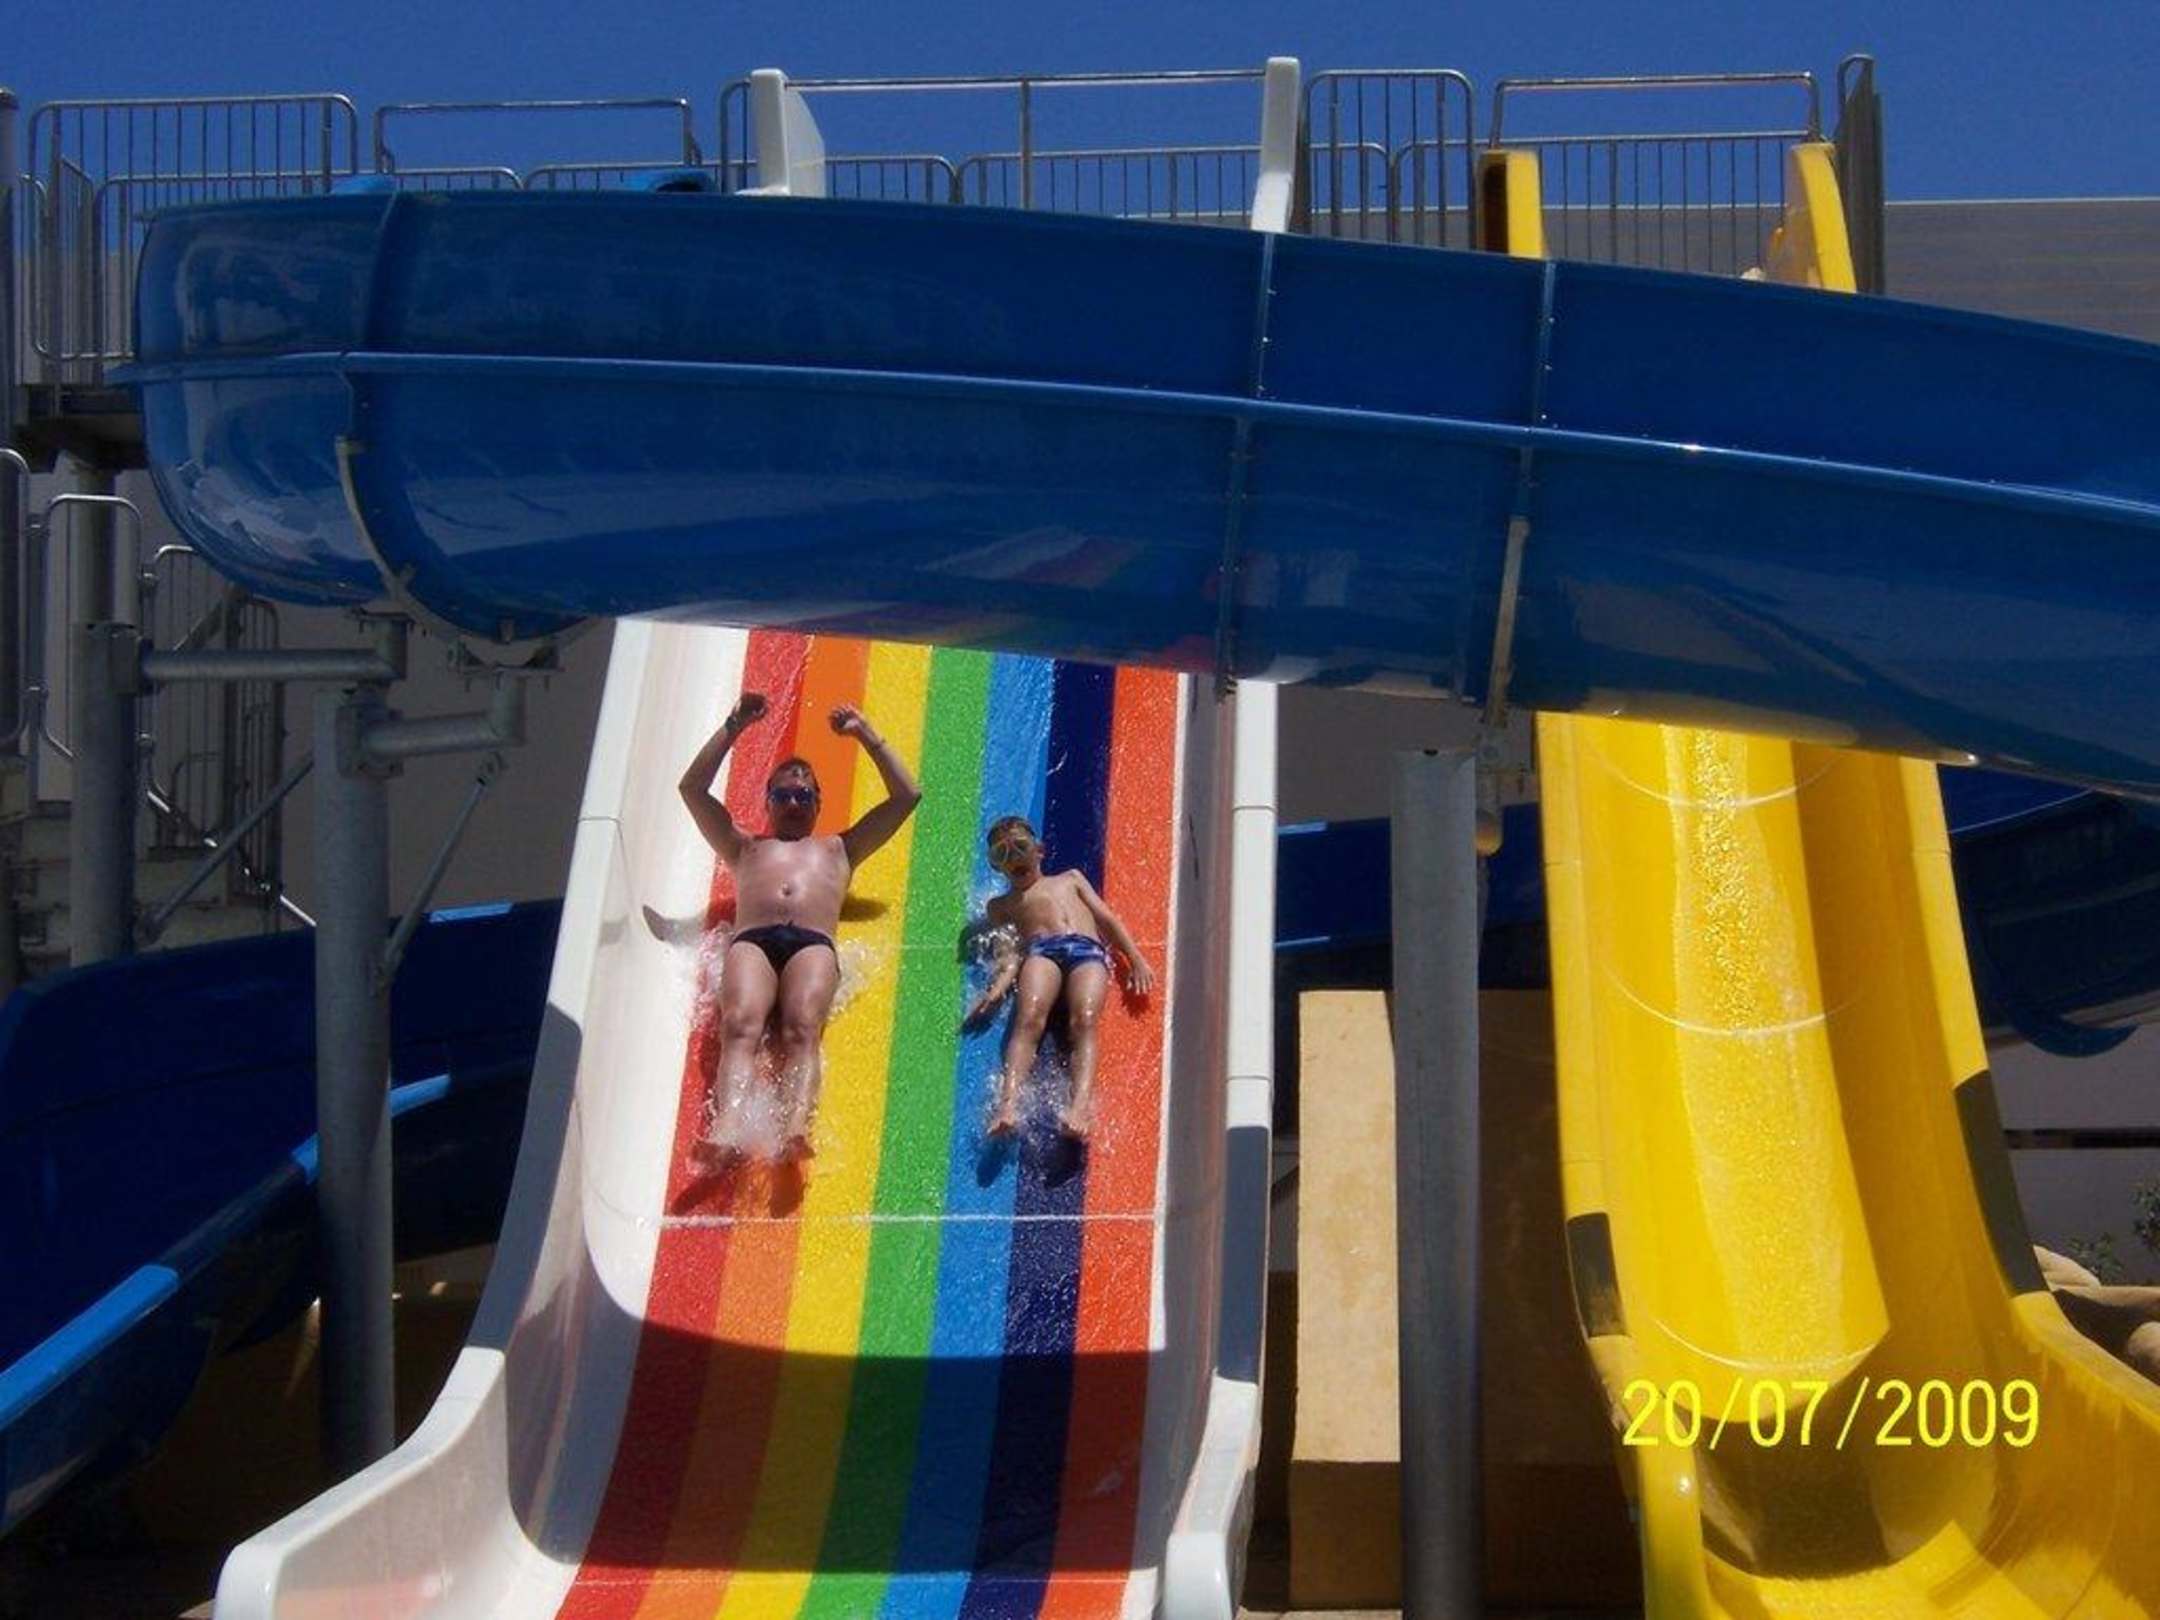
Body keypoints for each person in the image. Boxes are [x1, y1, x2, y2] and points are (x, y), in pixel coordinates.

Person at [679, 692, 921, 1161]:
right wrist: (732, 726)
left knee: (802, 1028)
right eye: (783, 795)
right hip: (752, 943)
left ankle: (795, 1126)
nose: (793, 801)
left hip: (812, 944)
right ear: (768, 802)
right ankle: (727, 1127)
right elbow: (692, 789)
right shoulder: (745, 847)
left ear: (818, 803)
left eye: (803, 795)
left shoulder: (840, 848)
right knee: (740, 1025)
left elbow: (906, 796)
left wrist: (866, 734)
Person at [964, 815, 1155, 1139]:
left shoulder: (1071, 878)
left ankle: (1079, 1107)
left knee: (1084, 1019)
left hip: (1087, 951)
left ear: (1039, 850)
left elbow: (1106, 919)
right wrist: (995, 991)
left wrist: (1134, 958)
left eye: (1020, 847)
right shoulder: (1001, 906)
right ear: (996, 866)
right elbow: (1009, 955)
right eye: (1002, 854)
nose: (1013, 857)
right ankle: (1007, 1106)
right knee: (1028, 1019)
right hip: (1041, 953)